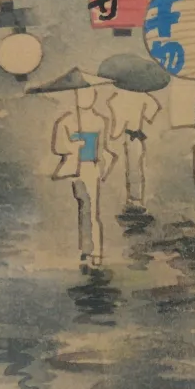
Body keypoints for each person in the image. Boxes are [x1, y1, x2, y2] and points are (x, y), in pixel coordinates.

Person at [50, 86, 116, 270]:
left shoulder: (100, 121)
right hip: (74, 168)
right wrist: (72, 146)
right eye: (80, 94)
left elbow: (101, 149)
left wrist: (102, 169)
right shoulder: (67, 120)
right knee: (83, 207)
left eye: (88, 94)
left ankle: (96, 253)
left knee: (92, 209)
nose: (84, 98)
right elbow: (57, 147)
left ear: (94, 96)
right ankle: (86, 249)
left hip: (91, 167)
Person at [105, 87, 162, 211]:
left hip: (132, 138)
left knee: (133, 168)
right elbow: (154, 109)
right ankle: (133, 199)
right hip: (132, 138)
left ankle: (135, 199)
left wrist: (112, 104)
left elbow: (117, 128)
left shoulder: (121, 97)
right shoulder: (141, 95)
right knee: (132, 168)